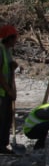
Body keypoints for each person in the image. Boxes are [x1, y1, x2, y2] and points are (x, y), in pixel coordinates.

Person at [0, 24, 16, 155]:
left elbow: (9, 71)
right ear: (8, 38)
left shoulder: (7, 51)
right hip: (1, 92)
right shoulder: (0, 51)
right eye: (14, 38)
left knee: (7, 119)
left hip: (6, 91)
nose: (16, 41)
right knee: (2, 119)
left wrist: (12, 90)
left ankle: (4, 144)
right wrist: (8, 90)